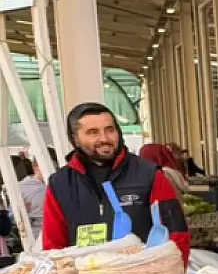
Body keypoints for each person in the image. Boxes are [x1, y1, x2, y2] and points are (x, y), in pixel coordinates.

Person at [41, 103, 190, 265]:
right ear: (74, 139)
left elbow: (177, 234)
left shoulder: (149, 174)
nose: (104, 139)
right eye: (93, 132)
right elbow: (53, 247)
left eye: (110, 130)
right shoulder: (60, 183)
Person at [11, 154, 45, 238]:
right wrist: (21, 210)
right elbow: (12, 215)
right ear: (35, 166)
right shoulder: (21, 187)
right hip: (36, 234)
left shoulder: (60, 182)